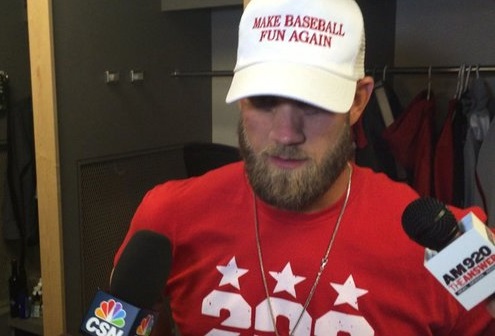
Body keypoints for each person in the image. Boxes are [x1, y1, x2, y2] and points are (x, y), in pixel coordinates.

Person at [114, 0, 495, 334]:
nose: (285, 134)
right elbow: (117, 327)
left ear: (358, 100)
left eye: (313, 104)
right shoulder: (165, 217)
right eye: (263, 101)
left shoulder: (449, 249)